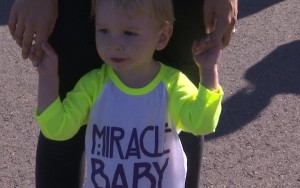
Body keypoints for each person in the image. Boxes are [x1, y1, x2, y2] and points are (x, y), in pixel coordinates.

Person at [9, 0, 237, 187]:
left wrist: (208, 72)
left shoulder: (173, 84)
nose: (115, 44)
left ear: (162, 37)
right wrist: (48, 78)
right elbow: (57, 129)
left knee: (184, 126)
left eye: (128, 33)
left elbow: (201, 123)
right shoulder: (93, 86)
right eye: (103, 31)